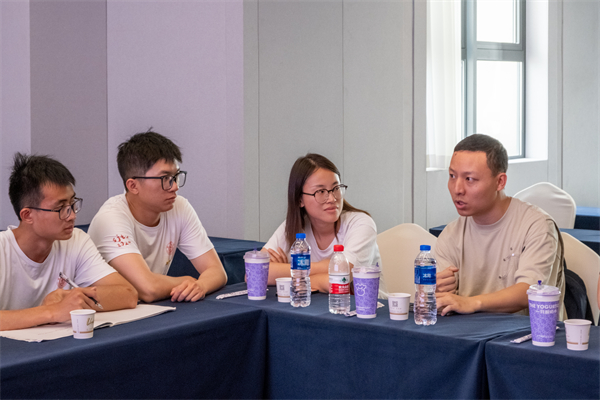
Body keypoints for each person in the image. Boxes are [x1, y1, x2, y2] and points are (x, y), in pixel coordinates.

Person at [0, 153, 138, 331]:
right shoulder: (3, 250)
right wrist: (52, 312)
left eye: (72, 204)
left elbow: (128, 294)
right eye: (60, 208)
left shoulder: (76, 240)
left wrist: (71, 297)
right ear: (27, 215)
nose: (72, 215)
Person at [435, 134, 565, 318]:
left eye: (469, 179)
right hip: (469, 331)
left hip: (529, 333)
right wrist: (436, 290)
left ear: (500, 182)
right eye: (452, 176)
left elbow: (529, 292)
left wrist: (470, 303)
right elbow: (443, 300)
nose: (457, 189)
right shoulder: (451, 234)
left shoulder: (536, 226)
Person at [88, 131, 227, 303]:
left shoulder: (179, 206)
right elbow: (148, 289)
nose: (174, 187)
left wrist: (201, 286)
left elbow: (217, 271)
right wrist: (188, 281)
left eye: (176, 176)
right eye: (165, 178)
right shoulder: (110, 218)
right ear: (133, 186)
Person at [263, 153, 385, 295]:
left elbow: (341, 277)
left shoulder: (361, 223)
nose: (332, 198)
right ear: (300, 200)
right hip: (312, 305)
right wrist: (322, 269)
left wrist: (286, 272)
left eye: (336, 188)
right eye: (321, 191)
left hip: (363, 306)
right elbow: (255, 273)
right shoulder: (294, 226)